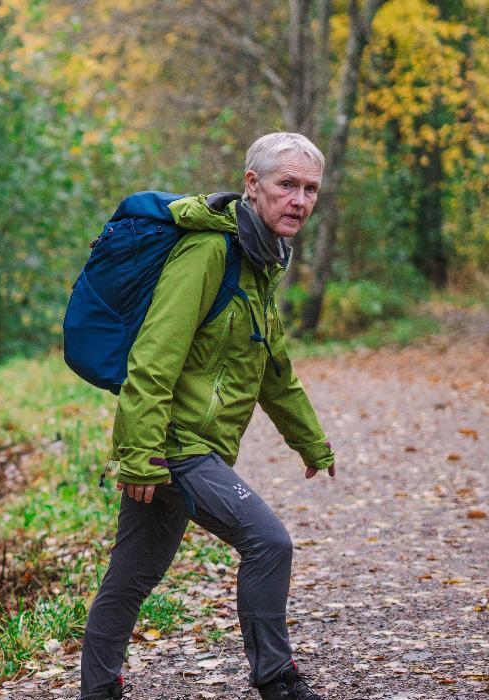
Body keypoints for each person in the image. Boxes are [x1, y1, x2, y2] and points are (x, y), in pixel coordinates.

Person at [81, 133, 338, 700]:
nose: (299, 200)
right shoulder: (209, 253)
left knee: (130, 579)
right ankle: (276, 678)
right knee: (269, 542)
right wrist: (141, 454)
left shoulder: (263, 259)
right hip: (173, 443)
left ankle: (97, 690)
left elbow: (274, 368)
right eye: (286, 185)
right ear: (253, 185)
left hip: (195, 446)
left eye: (310, 189)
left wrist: (312, 443)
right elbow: (154, 355)